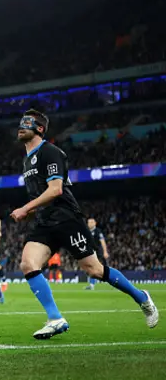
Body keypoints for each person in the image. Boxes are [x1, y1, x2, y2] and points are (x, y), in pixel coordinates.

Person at [10, 109, 158, 339]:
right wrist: (32, 211)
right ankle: (55, 318)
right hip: (45, 221)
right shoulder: (26, 160)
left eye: (27, 123)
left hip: (67, 217)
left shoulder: (50, 152)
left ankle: (142, 298)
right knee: (28, 264)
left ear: (39, 128)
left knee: (95, 269)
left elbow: (56, 189)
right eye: (20, 122)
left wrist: (26, 208)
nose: (21, 126)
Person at [85, 218, 109, 290]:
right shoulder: (86, 231)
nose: (90, 223)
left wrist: (105, 251)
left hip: (97, 253)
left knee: (99, 268)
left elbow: (102, 241)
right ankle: (92, 284)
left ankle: (112, 280)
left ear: (95, 223)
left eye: (92, 222)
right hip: (90, 253)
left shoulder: (98, 231)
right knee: (91, 268)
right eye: (89, 222)